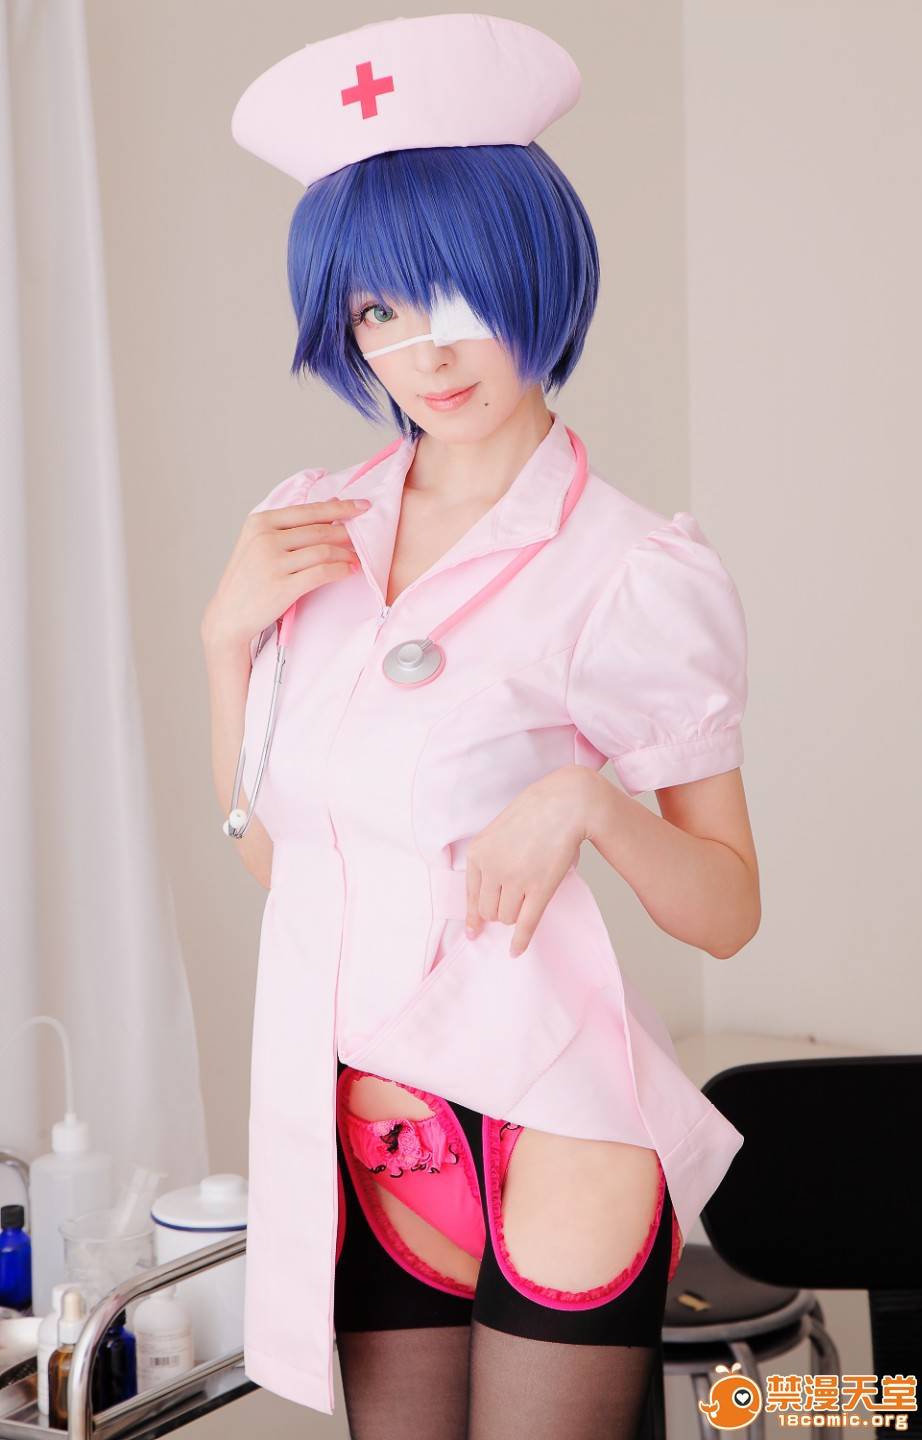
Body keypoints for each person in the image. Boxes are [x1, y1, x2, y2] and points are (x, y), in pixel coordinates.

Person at [201, 15, 761, 1439]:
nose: (424, 350)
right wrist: (225, 642)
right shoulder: (308, 527)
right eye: (377, 311)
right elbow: (289, 865)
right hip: (378, 1129)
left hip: (556, 1116)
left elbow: (726, 911)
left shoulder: (632, 569)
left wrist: (589, 805)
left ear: (537, 271)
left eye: (458, 293)